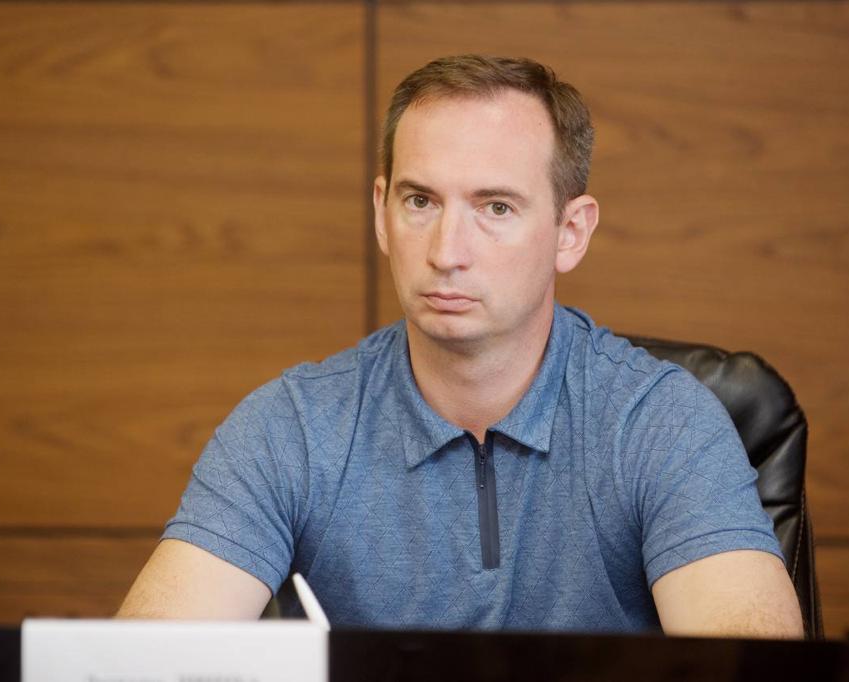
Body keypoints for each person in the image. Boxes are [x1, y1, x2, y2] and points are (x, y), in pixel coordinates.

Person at [117, 55, 804, 637]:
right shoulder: (288, 429)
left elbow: (754, 670)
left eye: (495, 207)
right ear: (381, 212)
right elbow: (138, 668)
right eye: (420, 202)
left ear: (571, 232)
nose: (447, 252)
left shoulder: (664, 424)